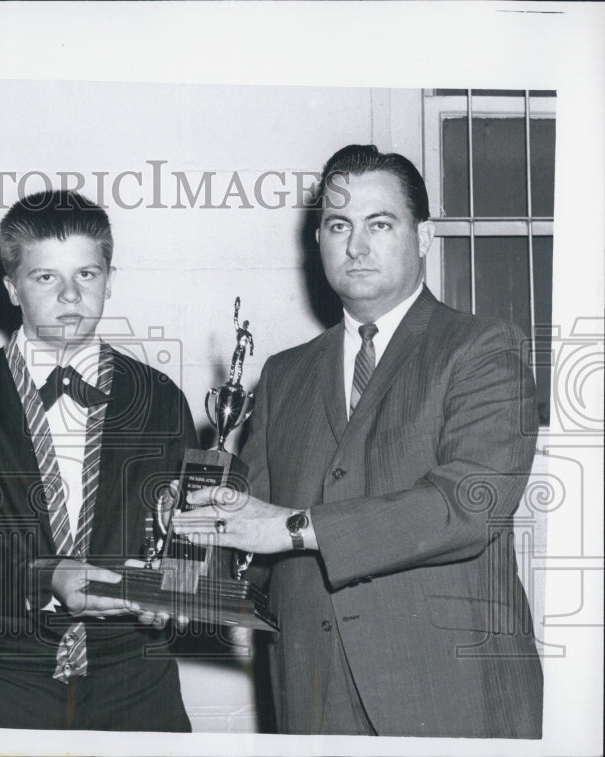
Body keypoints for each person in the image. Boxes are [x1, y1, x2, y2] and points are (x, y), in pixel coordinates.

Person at [173, 145, 543, 738]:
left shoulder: (483, 347)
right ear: (318, 239)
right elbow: (253, 547)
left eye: (380, 224)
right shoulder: (284, 373)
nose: (357, 246)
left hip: (448, 693)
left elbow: (469, 505)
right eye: (339, 225)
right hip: (312, 694)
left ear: (422, 237)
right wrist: (184, 554)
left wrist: (292, 526)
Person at [0, 190, 197, 731]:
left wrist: (173, 593)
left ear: (110, 278)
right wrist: (47, 577)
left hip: (134, 682)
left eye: (87, 274)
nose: (70, 295)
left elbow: (183, 537)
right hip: (3, 681)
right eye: (46, 278)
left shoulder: (159, 396)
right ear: (11, 287)